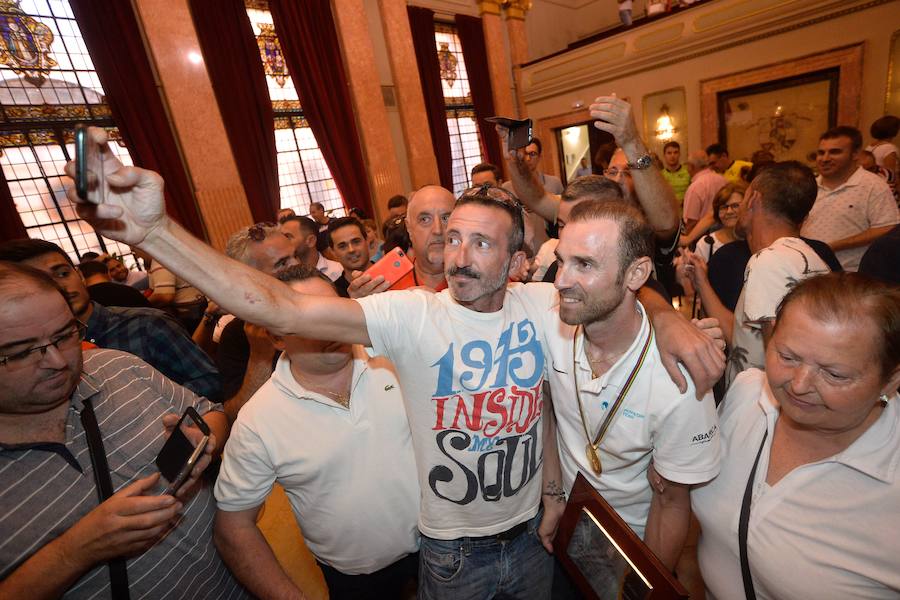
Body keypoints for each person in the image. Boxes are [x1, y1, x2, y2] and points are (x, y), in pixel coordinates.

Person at [66, 128, 724, 600]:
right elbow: (283, 311)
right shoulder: (412, 316)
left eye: (482, 243)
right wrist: (156, 234)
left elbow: (613, 288)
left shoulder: (546, 303)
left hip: (536, 541)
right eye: (451, 237)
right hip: (450, 557)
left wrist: (665, 316)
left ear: (519, 261)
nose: (458, 254)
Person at [0, 262, 245, 599]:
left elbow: (210, 412)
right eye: (21, 352)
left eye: (65, 335)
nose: (57, 361)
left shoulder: (118, 366)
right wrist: (74, 551)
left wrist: (206, 442)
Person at [537, 201, 720, 588]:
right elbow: (549, 408)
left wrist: (639, 585)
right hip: (568, 527)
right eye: (561, 260)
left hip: (632, 541)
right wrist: (553, 496)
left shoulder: (678, 378)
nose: (560, 281)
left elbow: (672, 503)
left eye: (584, 265)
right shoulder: (551, 318)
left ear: (637, 272)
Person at [213, 265, 419, 600]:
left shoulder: (398, 356)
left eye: (333, 311)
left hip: (448, 550)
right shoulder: (258, 420)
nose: (329, 327)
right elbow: (232, 527)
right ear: (276, 336)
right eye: (308, 318)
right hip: (359, 582)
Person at [691, 273, 900, 598]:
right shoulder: (747, 394)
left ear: (890, 381)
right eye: (787, 357)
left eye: (835, 374)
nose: (799, 385)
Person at [0, 239, 221, 401]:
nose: (61, 286)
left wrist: (157, 406)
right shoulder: (23, 359)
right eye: (42, 282)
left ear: (79, 274)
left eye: (62, 273)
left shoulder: (146, 325)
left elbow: (210, 381)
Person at [684, 162, 830, 388]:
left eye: (741, 201)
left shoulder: (768, 261)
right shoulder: (803, 254)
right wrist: (702, 282)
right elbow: (743, 336)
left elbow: (782, 362)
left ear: (752, 199)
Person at [800, 126, 899, 271]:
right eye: (821, 152)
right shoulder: (809, 185)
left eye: (835, 152)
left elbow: (887, 227)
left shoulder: (873, 185)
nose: (825, 158)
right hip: (809, 274)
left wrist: (833, 246)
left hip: (851, 276)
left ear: (855, 154)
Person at [146, 258, 207, 332]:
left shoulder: (159, 258)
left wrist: (140, 305)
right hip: (199, 306)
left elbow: (165, 296)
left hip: (189, 314)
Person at [279, 215, 342, 282]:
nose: (281, 242)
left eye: (288, 237)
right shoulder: (282, 277)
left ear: (311, 241)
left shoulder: (337, 272)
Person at [79, 258, 152, 308]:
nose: (118, 270)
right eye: (112, 270)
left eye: (119, 266)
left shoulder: (82, 302)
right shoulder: (128, 291)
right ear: (108, 273)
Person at [327, 216, 372, 298]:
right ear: (333, 252)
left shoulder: (390, 272)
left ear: (367, 241)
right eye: (342, 246)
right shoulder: (334, 294)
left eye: (356, 242)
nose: (351, 250)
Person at [865, 115, 899, 196]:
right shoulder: (889, 148)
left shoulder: (870, 146)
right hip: (885, 189)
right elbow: (890, 175)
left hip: (872, 186)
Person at [660, 140, 691, 206]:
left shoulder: (688, 171)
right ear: (664, 155)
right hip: (668, 212)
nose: (672, 155)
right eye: (669, 153)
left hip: (686, 212)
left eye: (675, 152)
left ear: (679, 154)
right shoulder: (660, 175)